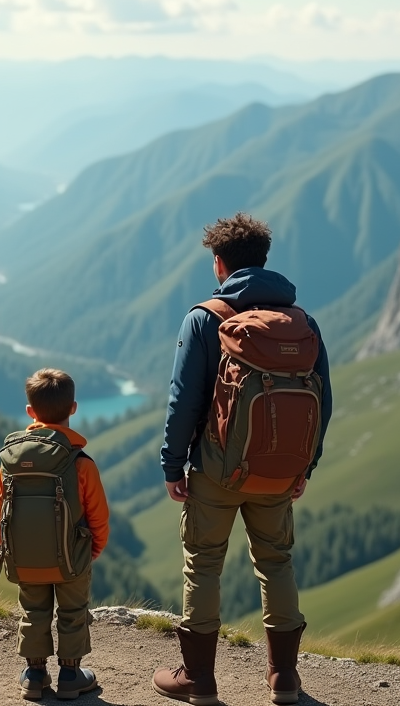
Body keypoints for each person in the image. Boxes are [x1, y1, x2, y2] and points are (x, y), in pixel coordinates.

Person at [152, 214, 333, 706]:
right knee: (276, 562)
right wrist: (304, 467)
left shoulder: (205, 318)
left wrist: (173, 465)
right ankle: (284, 678)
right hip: (279, 472)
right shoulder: (303, 324)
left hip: (217, 470)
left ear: (219, 264)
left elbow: (183, 400)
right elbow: (323, 401)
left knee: (204, 565)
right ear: (264, 260)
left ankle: (198, 679)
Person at [0, 369, 111, 701]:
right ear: (73, 408)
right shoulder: (80, 462)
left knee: (33, 610)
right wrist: (92, 549)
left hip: (24, 556)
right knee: (73, 612)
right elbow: (98, 514)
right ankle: (71, 676)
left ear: (30, 411)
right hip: (72, 556)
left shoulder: (11, 460)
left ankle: (34, 675)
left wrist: (8, 547)